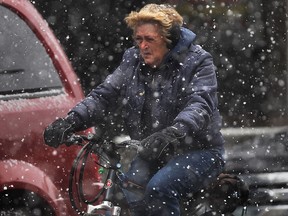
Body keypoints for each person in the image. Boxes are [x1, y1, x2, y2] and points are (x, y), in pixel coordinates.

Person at [44, 3, 225, 216]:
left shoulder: (197, 62)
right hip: (151, 150)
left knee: (160, 188)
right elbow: (105, 95)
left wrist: (174, 132)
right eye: (138, 39)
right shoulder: (132, 61)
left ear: (169, 40)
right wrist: (72, 121)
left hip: (199, 151)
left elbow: (200, 104)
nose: (143, 46)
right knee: (128, 193)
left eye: (150, 39)